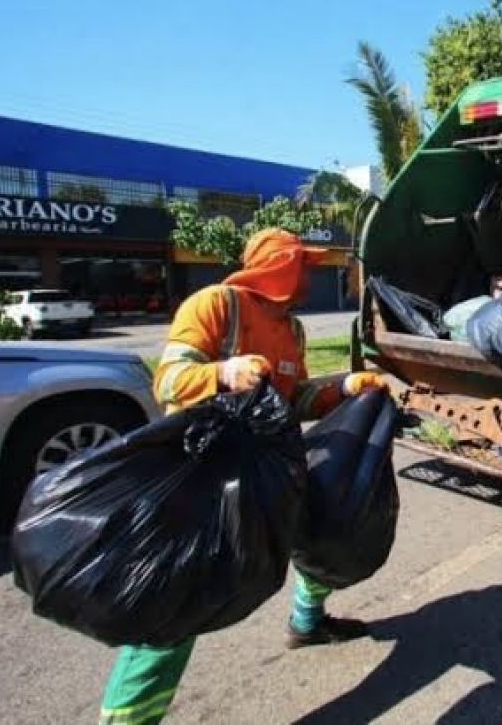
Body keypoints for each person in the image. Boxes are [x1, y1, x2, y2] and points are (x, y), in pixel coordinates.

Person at [99, 228, 387, 725]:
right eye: (303, 266)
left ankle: (307, 622)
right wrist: (224, 373)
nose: (309, 276)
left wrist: (342, 387)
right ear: (278, 267)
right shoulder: (215, 305)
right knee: (177, 602)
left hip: (266, 465)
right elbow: (168, 380)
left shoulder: (291, 329)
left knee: (321, 531)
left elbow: (292, 399)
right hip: (202, 475)